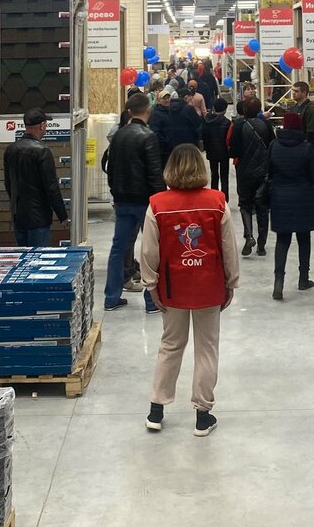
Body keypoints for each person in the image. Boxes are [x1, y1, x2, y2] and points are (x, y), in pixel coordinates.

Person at [140, 144, 240, 437]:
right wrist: (231, 282)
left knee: (171, 345)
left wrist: (151, 284)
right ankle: (202, 415)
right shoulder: (217, 202)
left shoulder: (157, 204)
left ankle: (156, 410)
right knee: (207, 347)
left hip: (173, 288)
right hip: (209, 286)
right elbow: (229, 248)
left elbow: (148, 251)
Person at [104, 92, 164, 312]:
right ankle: (151, 300)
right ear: (148, 110)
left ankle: (111, 297)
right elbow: (155, 173)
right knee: (150, 250)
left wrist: (115, 192)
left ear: (129, 112)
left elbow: (110, 170)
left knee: (118, 248)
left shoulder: (118, 136)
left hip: (122, 200)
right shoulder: (148, 137)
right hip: (145, 202)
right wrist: (161, 199)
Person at [268, 111, 314, 300]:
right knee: (304, 238)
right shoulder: (306, 148)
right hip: (302, 198)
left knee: (282, 240)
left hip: (280, 198)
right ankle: (303, 279)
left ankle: (278, 282)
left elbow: (268, 172)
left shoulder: (274, 146)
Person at [3, 108, 68, 246]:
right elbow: (51, 187)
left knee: (23, 256)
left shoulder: (10, 149)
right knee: (38, 256)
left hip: (19, 216)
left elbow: (8, 183)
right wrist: (62, 215)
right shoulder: (43, 151)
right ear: (42, 126)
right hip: (39, 217)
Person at [228, 95, 275, 256]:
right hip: (263, 172)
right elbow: (272, 146)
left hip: (245, 172)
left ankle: (249, 236)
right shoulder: (266, 125)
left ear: (245, 109)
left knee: (245, 204)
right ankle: (261, 245)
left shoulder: (239, 126)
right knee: (263, 207)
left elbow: (233, 152)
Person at [202, 97, 231, 200]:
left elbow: (204, 137)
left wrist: (206, 148)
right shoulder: (227, 122)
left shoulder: (207, 121)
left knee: (214, 174)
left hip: (211, 151)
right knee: (224, 176)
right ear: (225, 109)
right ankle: (224, 198)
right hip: (224, 153)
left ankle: (213, 197)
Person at [149, 88, 176, 165]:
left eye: (168, 98)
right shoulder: (156, 114)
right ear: (159, 100)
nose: (167, 100)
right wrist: (165, 142)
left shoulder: (171, 111)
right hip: (163, 150)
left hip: (172, 148)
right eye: (164, 98)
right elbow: (155, 131)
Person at [290, 81, 314, 151]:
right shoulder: (293, 108)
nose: (293, 93)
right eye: (293, 91)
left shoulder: (311, 108)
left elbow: (312, 132)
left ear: (304, 93)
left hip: (306, 147)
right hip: (295, 145)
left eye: (296, 91)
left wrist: (308, 148)